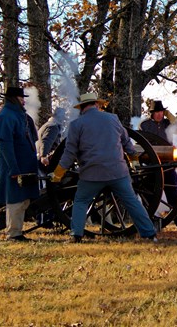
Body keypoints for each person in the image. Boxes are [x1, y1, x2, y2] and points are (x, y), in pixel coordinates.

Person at [51, 92, 157, 243]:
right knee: (132, 201)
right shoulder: (112, 118)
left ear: (82, 108)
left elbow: (69, 153)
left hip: (91, 174)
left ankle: (76, 235)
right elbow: (127, 142)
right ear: (97, 104)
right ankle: (150, 234)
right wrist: (134, 160)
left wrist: (58, 174)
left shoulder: (76, 125)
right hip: (117, 172)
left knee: (81, 201)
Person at [0, 87, 40, 241]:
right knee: (15, 200)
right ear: (14, 98)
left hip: (26, 164)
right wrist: (13, 168)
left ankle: (16, 231)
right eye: (21, 97)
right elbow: (5, 145)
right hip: (16, 165)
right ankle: (14, 234)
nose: (23, 100)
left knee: (23, 200)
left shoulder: (21, 116)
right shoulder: (5, 117)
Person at [140, 100, 177, 229]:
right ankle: (150, 222)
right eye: (157, 112)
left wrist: (170, 115)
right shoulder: (145, 125)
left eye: (161, 112)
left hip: (167, 164)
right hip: (151, 165)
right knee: (147, 195)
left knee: (174, 196)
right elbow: (141, 140)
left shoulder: (168, 124)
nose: (159, 114)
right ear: (152, 113)